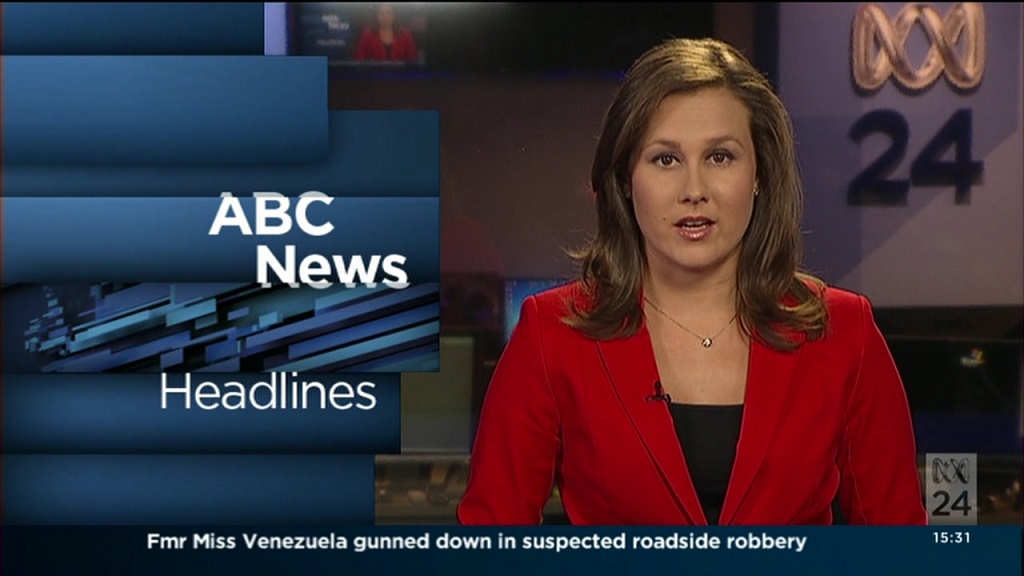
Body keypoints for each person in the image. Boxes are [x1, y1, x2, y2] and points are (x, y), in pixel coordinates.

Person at [456, 38, 927, 525]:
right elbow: (489, 542)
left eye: (720, 157)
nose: (694, 190)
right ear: (625, 179)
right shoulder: (552, 334)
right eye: (666, 159)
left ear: (760, 174)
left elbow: (901, 543)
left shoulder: (844, 333)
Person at [354, 3, 418, 64]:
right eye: (381, 13)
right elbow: (359, 60)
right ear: (377, 16)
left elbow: (413, 60)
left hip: (400, 72)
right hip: (374, 72)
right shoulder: (367, 34)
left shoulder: (406, 34)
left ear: (394, 15)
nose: (385, 17)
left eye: (388, 13)